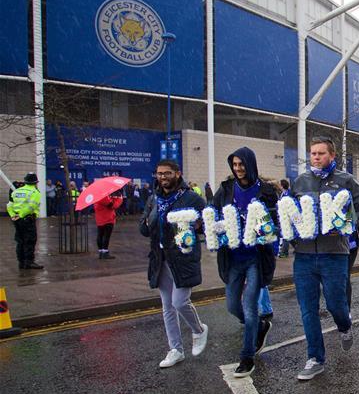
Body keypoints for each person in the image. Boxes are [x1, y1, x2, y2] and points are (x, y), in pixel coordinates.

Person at [292, 136, 359, 381]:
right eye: (313, 153)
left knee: (336, 304)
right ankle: (315, 358)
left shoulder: (346, 181)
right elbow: (289, 211)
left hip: (334, 253)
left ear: (332, 156)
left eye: (321, 153)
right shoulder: (300, 182)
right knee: (308, 309)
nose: (316, 157)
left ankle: (345, 326)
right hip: (304, 255)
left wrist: (350, 223)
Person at [213, 148, 279, 377]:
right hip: (233, 257)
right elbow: (213, 212)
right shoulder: (226, 189)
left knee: (250, 308)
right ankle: (261, 327)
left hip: (255, 258)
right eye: (235, 164)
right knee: (232, 306)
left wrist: (267, 231)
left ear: (250, 164)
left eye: (242, 164)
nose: (238, 168)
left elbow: (276, 222)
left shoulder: (267, 191)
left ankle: (247, 357)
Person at [139, 159, 209, 368]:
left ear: (177, 174)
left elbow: (207, 223)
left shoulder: (192, 198)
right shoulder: (153, 199)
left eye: (167, 173)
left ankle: (199, 330)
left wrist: (197, 226)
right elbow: (143, 230)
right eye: (159, 173)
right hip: (160, 259)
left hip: (183, 258)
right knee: (167, 307)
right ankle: (175, 349)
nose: (163, 177)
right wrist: (150, 217)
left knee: (180, 302)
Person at [8, 173, 43, 270]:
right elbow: (31, 207)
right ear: (35, 182)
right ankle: (29, 262)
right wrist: (21, 215)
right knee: (30, 240)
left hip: (16, 220)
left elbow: (9, 206)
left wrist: (13, 216)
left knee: (20, 241)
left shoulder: (16, 191)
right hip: (27, 219)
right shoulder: (35, 192)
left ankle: (21, 262)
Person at [94, 191, 124, 259]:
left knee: (100, 235)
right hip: (108, 219)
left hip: (99, 219)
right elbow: (113, 205)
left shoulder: (97, 198)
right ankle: (105, 252)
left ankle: (101, 252)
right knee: (106, 236)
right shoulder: (105, 198)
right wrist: (120, 199)